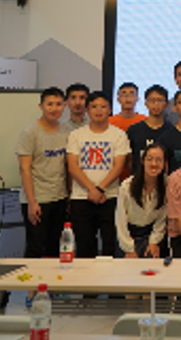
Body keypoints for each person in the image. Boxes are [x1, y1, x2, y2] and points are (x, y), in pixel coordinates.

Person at [66, 90, 131, 258]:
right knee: (84, 246)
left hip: (110, 197)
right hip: (81, 198)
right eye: (94, 107)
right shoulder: (76, 135)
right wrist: (92, 190)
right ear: (87, 110)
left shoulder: (119, 135)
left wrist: (100, 189)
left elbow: (118, 166)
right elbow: (73, 166)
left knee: (110, 245)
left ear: (110, 110)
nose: (99, 110)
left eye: (103, 106)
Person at [15, 86, 70, 258]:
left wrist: (69, 195)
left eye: (58, 104)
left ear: (64, 106)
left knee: (55, 248)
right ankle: (31, 278)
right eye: (50, 104)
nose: (54, 108)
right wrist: (32, 203)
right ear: (41, 106)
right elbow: (24, 169)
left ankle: (52, 278)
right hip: (37, 199)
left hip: (59, 197)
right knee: (35, 248)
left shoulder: (67, 130)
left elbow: (68, 166)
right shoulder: (30, 132)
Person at [115, 143, 168, 259]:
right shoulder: (127, 186)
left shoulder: (167, 185)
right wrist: (129, 249)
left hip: (151, 235)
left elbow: (162, 218)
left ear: (164, 163)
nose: (154, 164)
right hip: (128, 236)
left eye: (159, 160)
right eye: (150, 159)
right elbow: (120, 220)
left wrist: (154, 241)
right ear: (142, 161)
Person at [126, 84, 175, 178]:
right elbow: (129, 160)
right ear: (146, 103)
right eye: (152, 100)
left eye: (160, 100)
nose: (156, 104)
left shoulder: (171, 131)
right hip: (138, 180)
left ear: (167, 104)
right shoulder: (134, 130)